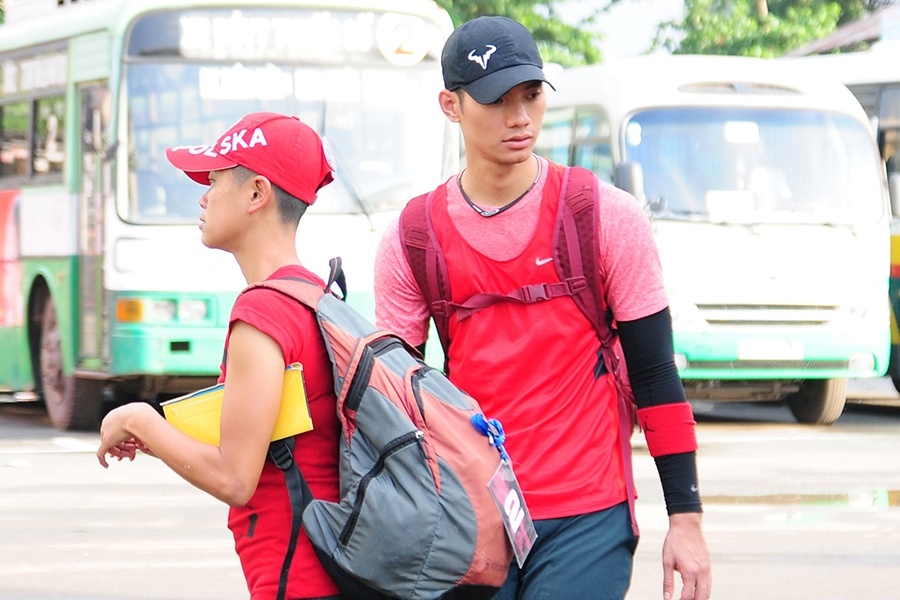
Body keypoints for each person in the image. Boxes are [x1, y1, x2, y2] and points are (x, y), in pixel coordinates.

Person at [373, 16, 712, 600]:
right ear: (450, 105)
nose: (520, 117)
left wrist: (686, 517)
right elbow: (397, 400)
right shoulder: (412, 237)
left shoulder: (604, 216)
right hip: (470, 514)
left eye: (530, 96)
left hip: (588, 510)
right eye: (496, 101)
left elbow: (656, 376)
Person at [96, 112, 342, 600]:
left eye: (213, 181)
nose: (203, 198)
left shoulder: (261, 313)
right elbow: (279, 436)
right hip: (332, 565)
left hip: (296, 576)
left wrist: (139, 418)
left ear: (256, 193)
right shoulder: (316, 296)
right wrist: (160, 437)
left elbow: (235, 478)